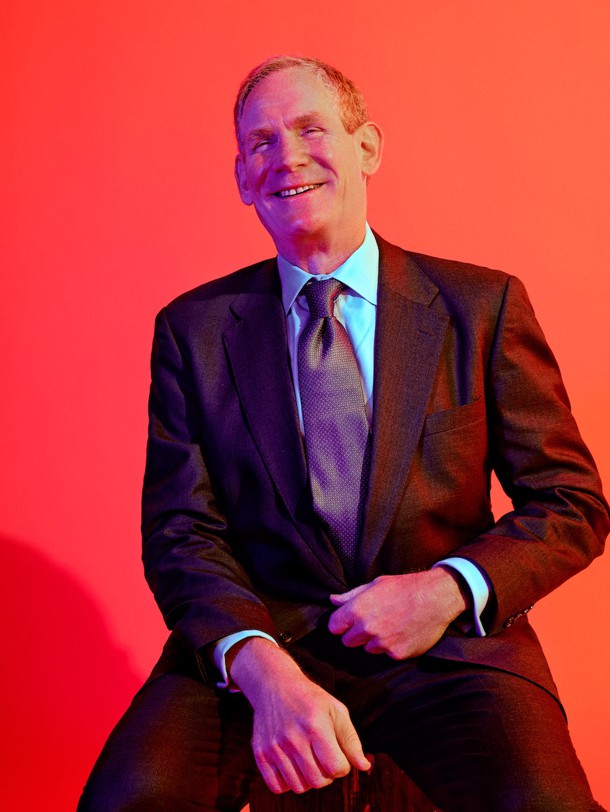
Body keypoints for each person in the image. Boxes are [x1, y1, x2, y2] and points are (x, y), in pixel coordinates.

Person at [78, 55, 609, 812]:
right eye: (261, 142)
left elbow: (570, 502)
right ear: (242, 178)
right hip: (263, 644)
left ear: (368, 147)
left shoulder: (481, 306)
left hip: (448, 649)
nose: (286, 157)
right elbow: (180, 532)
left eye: (310, 129)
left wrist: (444, 590)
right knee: (130, 800)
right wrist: (260, 666)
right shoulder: (193, 332)